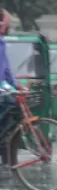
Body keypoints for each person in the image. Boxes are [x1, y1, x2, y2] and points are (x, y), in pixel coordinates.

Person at [0, 9, 19, 146]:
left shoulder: (2, 43)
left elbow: (6, 69)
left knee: (13, 104)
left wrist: (16, 85)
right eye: (7, 25)